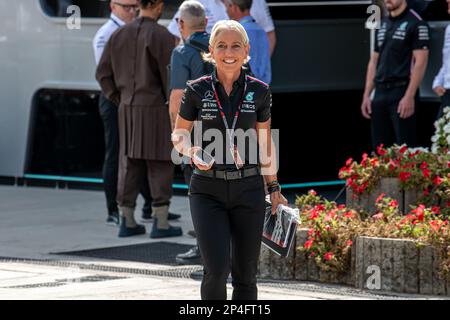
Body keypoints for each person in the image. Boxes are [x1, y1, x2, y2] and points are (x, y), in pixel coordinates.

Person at [172, 20, 287, 300]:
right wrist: (192, 151)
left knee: (246, 274)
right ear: (211, 50)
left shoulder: (260, 91)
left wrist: (273, 189)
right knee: (216, 270)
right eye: (221, 45)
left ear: (246, 50)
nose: (228, 52)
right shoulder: (197, 89)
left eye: (236, 45)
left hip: (248, 189)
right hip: (206, 191)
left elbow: (265, 144)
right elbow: (178, 136)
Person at [96, 0, 182, 238]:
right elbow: (170, 78)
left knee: (129, 163)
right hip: (155, 109)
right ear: (156, 5)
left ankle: (127, 220)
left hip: (127, 108)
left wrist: (118, 97)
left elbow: (102, 74)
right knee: (160, 162)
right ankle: (161, 222)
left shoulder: (118, 34)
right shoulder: (162, 36)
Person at [169, 0, 211, 265]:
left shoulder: (182, 52)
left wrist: (178, 135)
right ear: (206, 23)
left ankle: (203, 248)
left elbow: (176, 97)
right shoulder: (223, 47)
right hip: (225, 130)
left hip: (195, 134)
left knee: (197, 192)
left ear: (180, 24)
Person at [361, 0, 429, 149]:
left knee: (405, 148)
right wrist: (367, 95)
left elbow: (421, 62)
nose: (387, 0)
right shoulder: (383, 24)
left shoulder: (416, 23)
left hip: (402, 92)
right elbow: (373, 62)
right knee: (379, 149)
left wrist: (409, 96)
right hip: (380, 93)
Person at [167, 0, 276, 56]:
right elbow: (175, 35)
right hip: (204, 79)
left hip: (248, 79)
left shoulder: (256, 2)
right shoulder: (196, 2)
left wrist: (257, 70)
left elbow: (269, 35)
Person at [224, 0, 271, 84]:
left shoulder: (237, 33)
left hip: (243, 89)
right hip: (263, 88)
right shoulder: (262, 31)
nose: (226, 10)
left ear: (235, 8)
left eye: (229, 6)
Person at [432, 0, 450, 120]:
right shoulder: (449, 28)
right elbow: (447, 61)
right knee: (441, 134)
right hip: (447, 92)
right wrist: (438, 81)